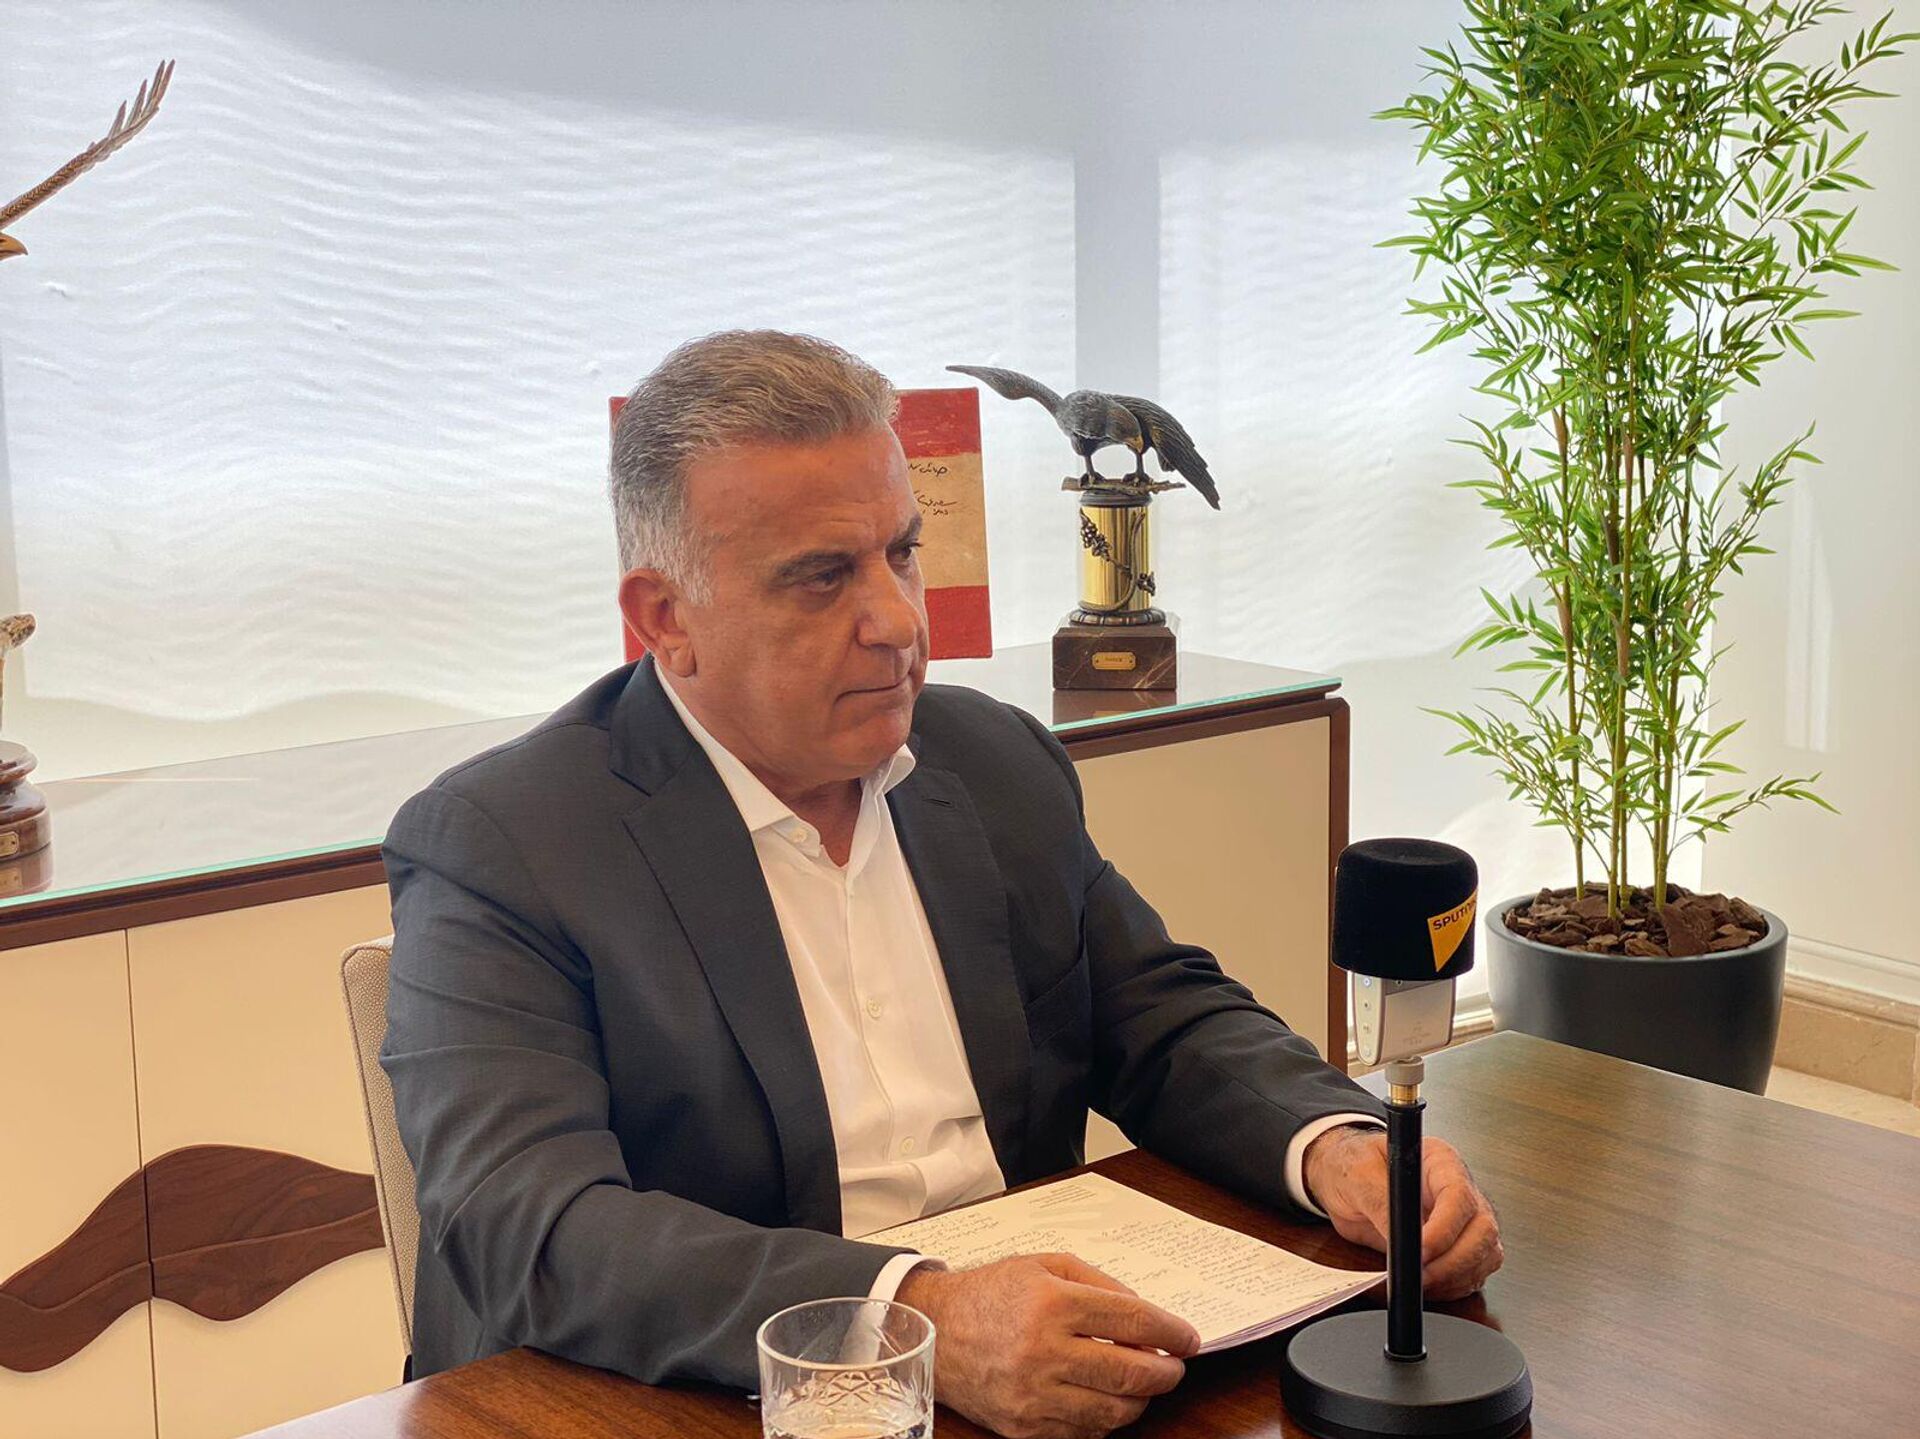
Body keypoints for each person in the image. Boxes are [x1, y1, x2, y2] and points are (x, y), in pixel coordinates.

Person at [381, 330, 1503, 1439]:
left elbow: (1159, 1017)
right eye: (823, 576)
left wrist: (1337, 1146)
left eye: (902, 551)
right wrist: (913, 1313)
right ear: (666, 616)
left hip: (1039, 1379)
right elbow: (530, 1224)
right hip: (687, 1396)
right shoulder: (505, 843)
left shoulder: (989, 759)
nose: (899, 621)